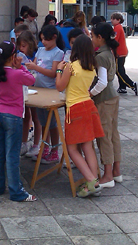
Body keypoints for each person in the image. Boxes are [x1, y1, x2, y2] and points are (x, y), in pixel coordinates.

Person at [55, 35, 105, 198]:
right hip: (89, 107)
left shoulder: (71, 67)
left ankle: (90, 180)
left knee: (72, 149)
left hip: (75, 109)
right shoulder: (91, 67)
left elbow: (59, 87)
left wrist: (59, 70)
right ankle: (94, 181)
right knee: (88, 146)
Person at [0, 41, 37, 202]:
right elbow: (31, 79)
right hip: (13, 116)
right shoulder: (17, 74)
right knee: (12, 155)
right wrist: (21, 67)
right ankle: (16, 191)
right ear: (12, 57)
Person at [25, 25, 64, 165]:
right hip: (38, 89)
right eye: (42, 39)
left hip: (50, 91)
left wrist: (35, 67)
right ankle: (45, 147)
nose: (43, 42)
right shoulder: (41, 50)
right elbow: (33, 65)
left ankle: (54, 150)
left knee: (52, 123)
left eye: (46, 39)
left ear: (54, 38)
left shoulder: (58, 53)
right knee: (42, 122)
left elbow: (53, 73)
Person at [91, 22, 123, 188]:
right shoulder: (109, 52)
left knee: (104, 137)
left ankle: (108, 175)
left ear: (100, 37)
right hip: (112, 97)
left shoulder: (101, 56)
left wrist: (90, 94)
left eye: (92, 36)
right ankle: (116, 171)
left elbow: (102, 82)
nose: (91, 39)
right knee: (113, 134)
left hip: (104, 99)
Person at [16, 31, 41, 158]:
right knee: (25, 116)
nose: (21, 49)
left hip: (36, 88)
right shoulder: (19, 55)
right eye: (20, 46)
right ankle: (24, 142)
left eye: (24, 46)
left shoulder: (36, 54)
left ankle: (36, 144)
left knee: (36, 117)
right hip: (24, 89)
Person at [110, 13, 137, 95]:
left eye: (113, 19)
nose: (111, 20)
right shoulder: (118, 27)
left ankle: (132, 84)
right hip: (122, 52)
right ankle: (122, 87)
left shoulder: (117, 28)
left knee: (118, 70)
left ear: (118, 20)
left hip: (119, 52)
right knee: (121, 69)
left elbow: (114, 40)